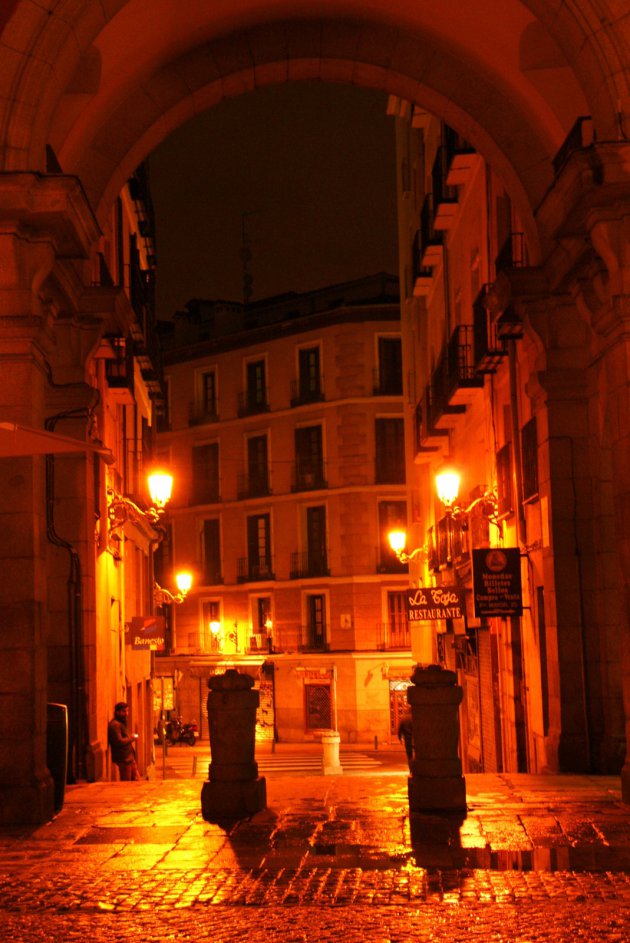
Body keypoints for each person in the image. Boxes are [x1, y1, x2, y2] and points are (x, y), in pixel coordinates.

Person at [108, 702, 140, 781]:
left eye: (127, 711)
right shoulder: (115, 725)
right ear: (117, 712)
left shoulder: (121, 723)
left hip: (129, 757)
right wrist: (131, 738)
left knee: (136, 778)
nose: (126, 713)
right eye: (124, 711)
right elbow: (119, 741)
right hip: (124, 758)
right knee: (127, 781)